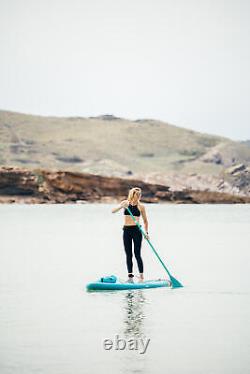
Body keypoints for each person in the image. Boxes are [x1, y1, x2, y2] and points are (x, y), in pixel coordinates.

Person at [111, 187, 149, 282]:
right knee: (128, 254)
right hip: (126, 231)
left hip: (137, 231)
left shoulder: (141, 207)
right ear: (132, 195)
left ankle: (141, 277)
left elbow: (145, 221)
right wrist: (121, 206)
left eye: (140, 195)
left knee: (137, 254)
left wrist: (146, 233)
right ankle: (130, 277)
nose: (139, 197)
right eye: (137, 195)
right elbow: (113, 211)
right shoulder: (125, 203)